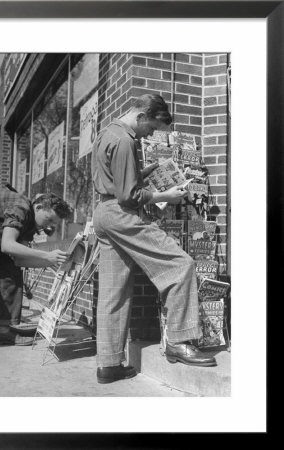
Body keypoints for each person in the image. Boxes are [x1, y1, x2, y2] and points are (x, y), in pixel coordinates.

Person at [92, 94, 216, 384]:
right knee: (180, 264)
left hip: (104, 213)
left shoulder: (106, 133)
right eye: (152, 128)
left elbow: (116, 181)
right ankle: (180, 342)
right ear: (143, 116)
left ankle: (108, 365)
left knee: (114, 291)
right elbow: (129, 196)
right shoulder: (125, 140)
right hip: (122, 214)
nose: (150, 134)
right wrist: (164, 195)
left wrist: (142, 173)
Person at [0, 187, 73, 347]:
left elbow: (19, 260)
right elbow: (7, 245)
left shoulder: (31, 225)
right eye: (49, 219)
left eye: (54, 224)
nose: (49, 227)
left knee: (10, 272)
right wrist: (47, 256)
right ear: (39, 207)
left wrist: (51, 262)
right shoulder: (21, 206)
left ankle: (3, 333)